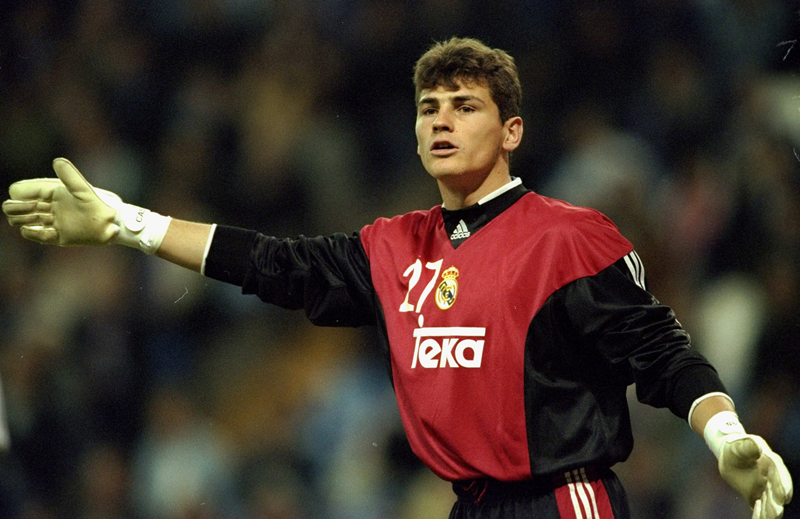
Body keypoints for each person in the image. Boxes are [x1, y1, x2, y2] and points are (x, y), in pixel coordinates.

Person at [2, 37, 793, 519]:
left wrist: (725, 435)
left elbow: (661, 353)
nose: (441, 119)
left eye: (464, 105)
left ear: (512, 131)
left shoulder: (568, 238)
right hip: (468, 504)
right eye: (428, 107)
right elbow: (272, 264)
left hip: (563, 500)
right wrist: (127, 222)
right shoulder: (393, 247)